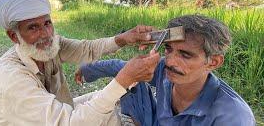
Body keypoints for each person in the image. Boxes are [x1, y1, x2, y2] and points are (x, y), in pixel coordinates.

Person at [0, 0, 160, 126]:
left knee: (106, 104)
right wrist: (124, 80)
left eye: (47, 23)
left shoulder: (51, 46)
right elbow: (68, 122)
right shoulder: (9, 77)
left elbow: (87, 49)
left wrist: (123, 38)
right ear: (14, 36)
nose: (46, 34)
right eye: (33, 28)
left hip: (57, 113)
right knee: (105, 105)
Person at [77, 15, 255, 126]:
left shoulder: (233, 116)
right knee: (131, 79)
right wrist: (86, 70)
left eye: (185, 55)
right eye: (169, 49)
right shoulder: (164, 67)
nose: (170, 61)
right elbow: (119, 67)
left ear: (213, 62)